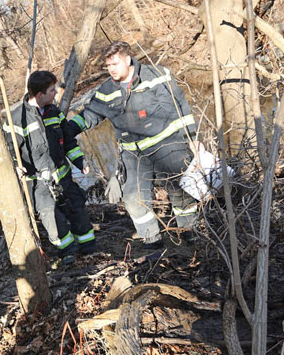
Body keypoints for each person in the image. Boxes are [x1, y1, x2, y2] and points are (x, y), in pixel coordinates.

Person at [65, 41, 198, 246]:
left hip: (167, 145)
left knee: (180, 192)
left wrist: (191, 139)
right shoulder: (107, 89)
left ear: (128, 60)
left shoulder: (156, 75)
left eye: (115, 64)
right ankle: (152, 239)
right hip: (133, 154)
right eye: (108, 66)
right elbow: (91, 114)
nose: (111, 69)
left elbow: (178, 108)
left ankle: (189, 233)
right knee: (133, 199)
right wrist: (67, 129)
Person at [3, 70, 96, 264]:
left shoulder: (54, 112)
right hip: (38, 183)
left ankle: (88, 248)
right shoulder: (16, 119)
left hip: (63, 176)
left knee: (77, 209)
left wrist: (80, 162)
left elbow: (68, 141)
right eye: (52, 90)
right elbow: (8, 151)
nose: (55, 93)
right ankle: (67, 252)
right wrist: (15, 165)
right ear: (40, 95)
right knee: (52, 218)